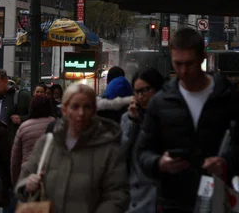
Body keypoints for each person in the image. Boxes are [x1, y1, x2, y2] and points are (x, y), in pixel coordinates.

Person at [135, 27, 239, 213]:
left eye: (189, 64)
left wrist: (226, 163)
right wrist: (159, 163)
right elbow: (143, 151)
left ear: (202, 57)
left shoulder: (227, 96)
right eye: (177, 64)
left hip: (220, 198)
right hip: (174, 202)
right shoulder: (161, 102)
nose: (183, 71)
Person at [16, 83, 128, 213]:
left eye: (87, 107)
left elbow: (117, 195)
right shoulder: (47, 143)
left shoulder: (109, 149)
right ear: (64, 110)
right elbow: (24, 180)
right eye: (75, 107)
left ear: (94, 110)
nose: (81, 113)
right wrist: (27, 185)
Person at [121, 68, 165, 213]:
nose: (140, 97)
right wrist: (132, 122)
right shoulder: (128, 118)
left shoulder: (169, 115)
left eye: (144, 91)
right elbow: (120, 152)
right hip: (138, 196)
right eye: (136, 92)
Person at [10, 96, 56, 186]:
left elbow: (15, 158)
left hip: (28, 174)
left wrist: (15, 181)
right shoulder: (56, 124)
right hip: (50, 173)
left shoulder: (24, 127)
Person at [0, 70, 30, 142]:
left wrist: (22, 119)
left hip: (13, 144)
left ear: (5, 81)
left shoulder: (21, 97)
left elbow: (36, 117)